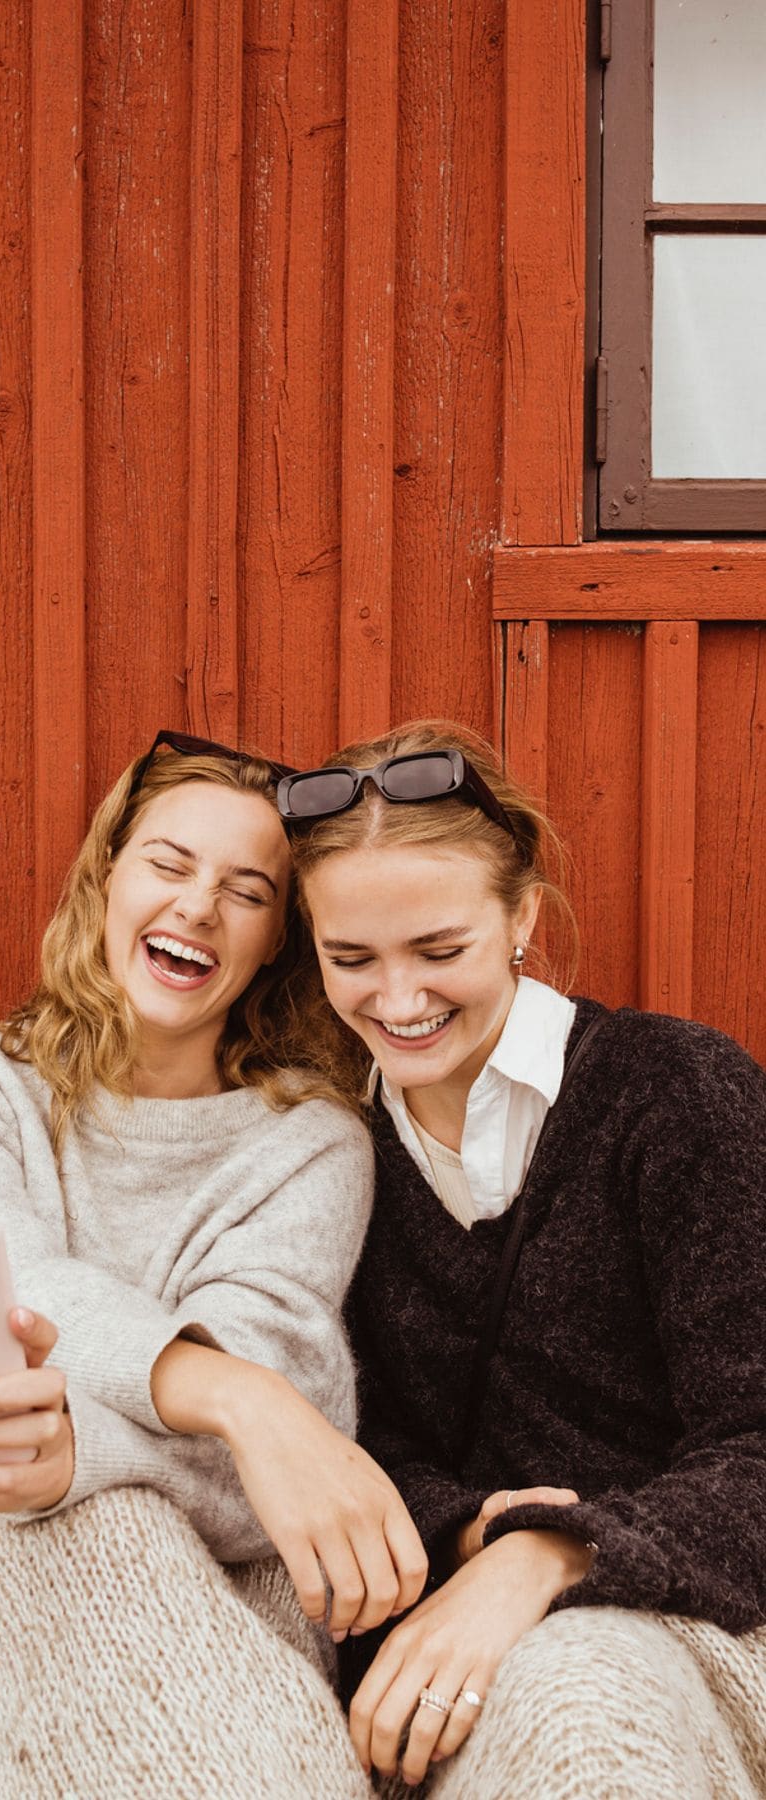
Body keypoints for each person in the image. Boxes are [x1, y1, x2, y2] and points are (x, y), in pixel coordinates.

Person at [0, 730, 423, 1800]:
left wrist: (79, 1457)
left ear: (276, 942)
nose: (199, 906)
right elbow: (12, 1283)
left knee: (112, 1524)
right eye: (169, 864)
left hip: (222, 1596)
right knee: (100, 1533)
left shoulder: (311, 1144)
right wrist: (239, 1398)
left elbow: (266, 1489)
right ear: (106, 880)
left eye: (246, 892)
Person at [279, 718, 766, 1798]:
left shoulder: (674, 1093)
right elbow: (355, 1440)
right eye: (351, 960)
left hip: (696, 1621)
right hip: (438, 1647)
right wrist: (473, 1535)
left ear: (523, 919)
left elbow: (757, 1444)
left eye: (439, 952)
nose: (397, 1001)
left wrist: (550, 1552)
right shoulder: (322, 1142)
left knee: (575, 1704)